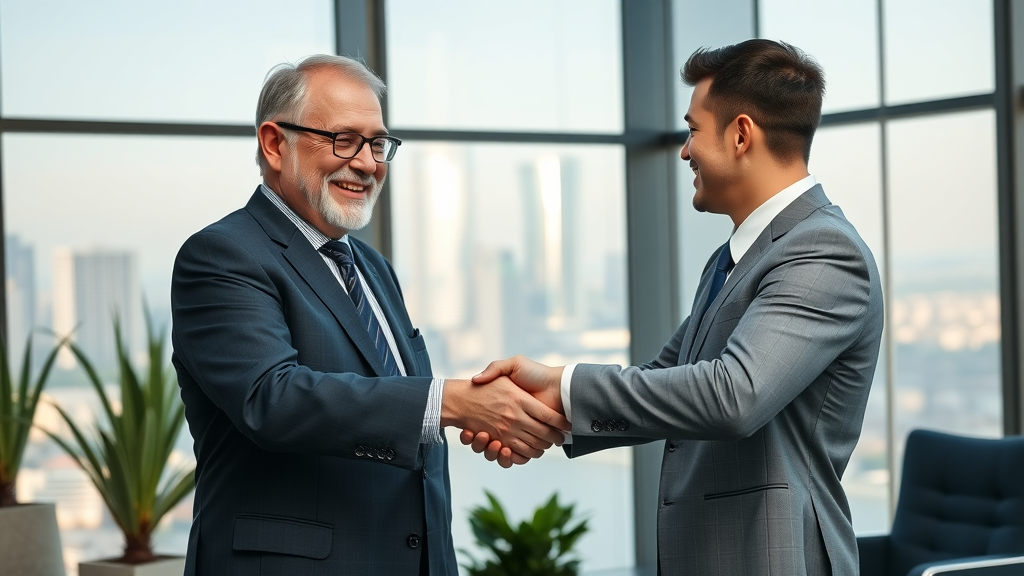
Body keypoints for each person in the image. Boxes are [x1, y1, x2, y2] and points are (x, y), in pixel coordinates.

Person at [465, 39, 884, 576]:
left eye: (693, 130)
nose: (684, 151)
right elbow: (671, 378)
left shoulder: (825, 251)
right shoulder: (735, 257)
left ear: (739, 134)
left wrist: (563, 384)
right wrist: (547, 410)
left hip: (774, 557)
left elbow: (734, 395)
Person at [170, 54, 569, 576]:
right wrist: (455, 402)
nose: (366, 163)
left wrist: (497, 415)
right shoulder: (223, 255)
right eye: (343, 139)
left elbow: (401, 408)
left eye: (377, 144)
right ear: (274, 143)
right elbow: (273, 398)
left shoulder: (373, 268)